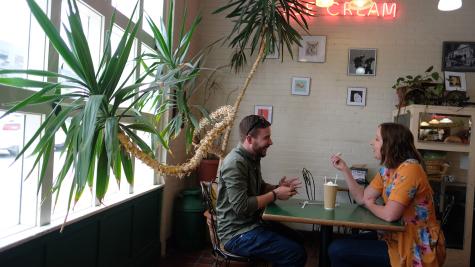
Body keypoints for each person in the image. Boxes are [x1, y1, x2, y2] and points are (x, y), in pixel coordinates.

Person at [329, 122, 446, 267]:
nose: (372, 142)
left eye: (377, 139)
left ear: (390, 144)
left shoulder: (410, 169)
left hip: (414, 244)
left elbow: (390, 215)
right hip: (394, 236)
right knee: (341, 244)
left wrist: (370, 203)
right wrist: (345, 169)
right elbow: (362, 198)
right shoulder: (387, 170)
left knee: (338, 250)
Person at [216, 115, 307, 267]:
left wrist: (278, 187)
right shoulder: (235, 163)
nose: (271, 142)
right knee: (295, 254)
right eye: (266, 138)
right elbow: (241, 206)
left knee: (298, 239)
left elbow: (259, 187)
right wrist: (275, 194)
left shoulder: (252, 157)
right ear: (250, 139)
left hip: (252, 224)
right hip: (235, 234)